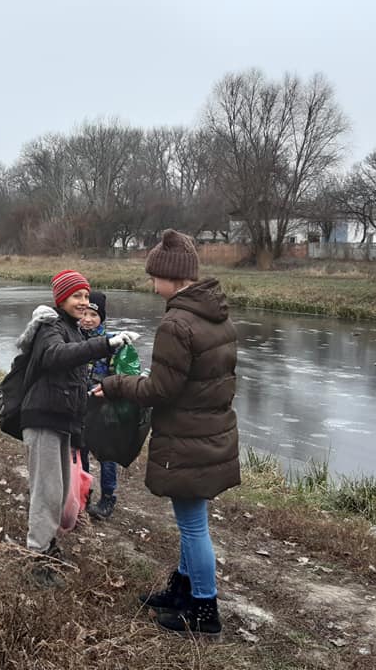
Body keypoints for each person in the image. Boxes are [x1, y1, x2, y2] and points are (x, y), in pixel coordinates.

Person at [94, 229, 239, 636]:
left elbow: (160, 389)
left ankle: (204, 611)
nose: (151, 283)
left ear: (171, 276)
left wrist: (116, 384)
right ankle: (182, 589)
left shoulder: (177, 323)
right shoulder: (218, 316)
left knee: (194, 526)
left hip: (187, 437)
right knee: (190, 520)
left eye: (153, 276)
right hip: (212, 432)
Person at [16, 270, 138, 586]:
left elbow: (72, 379)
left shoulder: (72, 328)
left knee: (59, 496)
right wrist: (105, 345)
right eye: (76, 296)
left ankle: (47, 546)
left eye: (86, 296)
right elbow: (57, 357)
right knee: (47, 493)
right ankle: (37, 558)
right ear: (61, 298)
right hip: (42, 420)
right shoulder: (51, 327)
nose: (83, 302)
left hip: (61, 423)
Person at [78, 290, 120, 520]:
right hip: (79, 407)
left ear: (101, 317)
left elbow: (122, 376)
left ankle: (107, 498)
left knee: (106, 456)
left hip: (104, 408)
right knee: (79, 452)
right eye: (83, 313)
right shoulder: (73, 338)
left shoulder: (113, 343)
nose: (87, 318)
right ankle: (83, 494)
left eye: (93, 314)